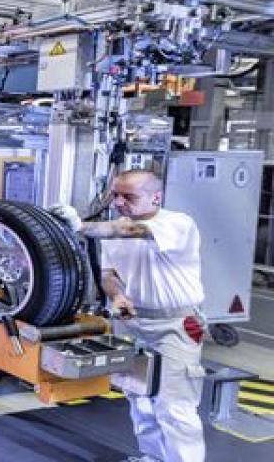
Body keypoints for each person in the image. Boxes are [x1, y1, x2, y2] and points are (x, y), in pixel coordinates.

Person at [50, 169, 206, 462]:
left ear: (155, 197)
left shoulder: (177, 223)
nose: (119, 202)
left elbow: (133, 231)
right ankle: (153, 457)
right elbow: (109, 274)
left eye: (128, 196)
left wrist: (81, 225)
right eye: (115, 195)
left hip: (174, 326)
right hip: (131, 322)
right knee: (138, 397)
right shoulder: (115, 230)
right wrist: (118, 296)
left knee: (174, 406)